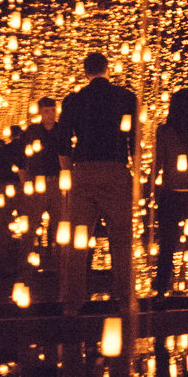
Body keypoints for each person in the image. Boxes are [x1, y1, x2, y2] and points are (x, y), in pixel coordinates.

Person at [53, 53, 138, 314]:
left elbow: (62, 140)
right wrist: (135, 174)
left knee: (78, 241)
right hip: (115, 170)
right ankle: (125, 301)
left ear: (86, 72)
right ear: (108, 70)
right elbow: (134, 139)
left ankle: (71, 303)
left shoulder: (74, 100)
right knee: (121, 241)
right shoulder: (126, 98)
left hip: (84, 172)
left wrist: (71, 172)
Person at [152, 88, 188, 297]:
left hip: (171, 195)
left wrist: (153, 190)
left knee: (167, 245)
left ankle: (161, 288)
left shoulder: (164, 131)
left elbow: (158, 164)